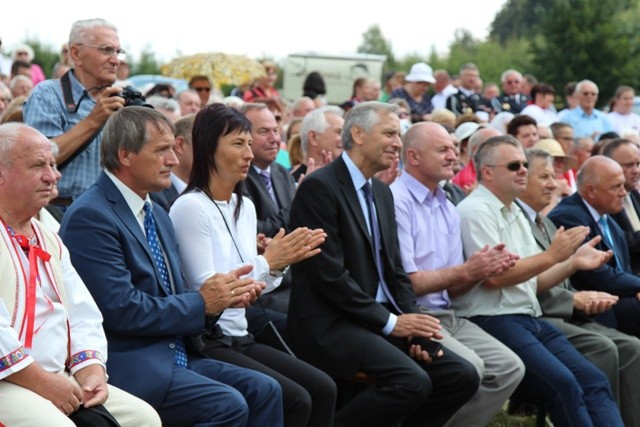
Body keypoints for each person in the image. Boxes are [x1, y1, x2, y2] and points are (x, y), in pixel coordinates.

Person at [59, 106, 284, 426]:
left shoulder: (157, 213)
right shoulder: (91, 216)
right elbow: (121, 309)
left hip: (179, 353)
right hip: (134, 364)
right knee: (228, 405)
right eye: (162, 150)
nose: (174, 160)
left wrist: (223, 299)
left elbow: (179, 294)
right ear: (125, 155)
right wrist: (203, 302)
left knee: (266, 390)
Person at [288, 101, 480, 427]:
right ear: (358, 134)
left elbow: (395, 272)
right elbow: (329, 276)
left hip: (375, 321)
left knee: (461, 375)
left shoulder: (380, 190)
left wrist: (414, 326)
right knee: (412, 382)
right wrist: (392, 324)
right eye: (390, 132)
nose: (398, 143)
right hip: (332, 324)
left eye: (400, 134)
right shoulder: (320, 187)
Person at [169, 104, 336, 427]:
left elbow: (259, 285)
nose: (248, 153)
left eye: (248, 143)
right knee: (296, 398)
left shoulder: (243, 205)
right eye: (237, 144)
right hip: (209, 339)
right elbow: (210, 291)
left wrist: (277, 265)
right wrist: (268, 261)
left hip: (241, 333)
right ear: (208, 149)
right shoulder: (189, 207)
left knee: (323, 387)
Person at [454, 134, 623, 426]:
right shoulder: (474, 211)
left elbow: (534, 280)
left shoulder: (514, 211)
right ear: (488, 172)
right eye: (514, 165)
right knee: (563, 386)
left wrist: (572, 262)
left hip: (527, 317)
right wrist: (554, 256)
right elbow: (494, 279)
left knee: (593, 380)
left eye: (523, 164)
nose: (523, 170)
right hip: (493, 319)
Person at [0, 123, 161, 426]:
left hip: (55, 374)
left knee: (144, 419)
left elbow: (81, 312)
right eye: (38, 166)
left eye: (52, 164)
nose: (53, 175)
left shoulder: (49, 236)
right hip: (7, 379)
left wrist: (90, 370)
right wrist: (44, 383)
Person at [390, 122, 525, 426]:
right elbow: (406, 285)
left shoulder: (448, 205)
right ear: (412, 156)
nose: (454, 155)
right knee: (473, 367)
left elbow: (451, 289)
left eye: (453, 147)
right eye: (444, 149)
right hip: (413, 314)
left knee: (509, 367)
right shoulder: (396, 201)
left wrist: (480, 271)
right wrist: (468, 269)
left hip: (447, 314)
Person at [516, 147, 640, 427]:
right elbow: (522, 282)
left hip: (576, 304)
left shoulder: (544, 220)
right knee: (605, 347)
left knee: (632, 348)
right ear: (591, 191)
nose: (555, 183)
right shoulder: (566, 217)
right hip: (544, 313)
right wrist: (574, 300)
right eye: (544, 177)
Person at [24, 18, 127, 206]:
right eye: (106, 50)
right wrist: (94, 120)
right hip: (59, 211)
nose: (115, 60)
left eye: (118, 51)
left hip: (109, 212)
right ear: (76, 54)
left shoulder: (121, 99)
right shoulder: (48, 94)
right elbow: (35, 159)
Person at [548, 156, 640, 338]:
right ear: (590, 191)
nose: (624, 192)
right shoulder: (569, 218)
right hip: (591, 310)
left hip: (616, 300)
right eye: (616, 187)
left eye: (623, 185)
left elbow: (624, 270)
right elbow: (601, 277)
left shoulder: (606, 216)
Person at [604, 139, 640, 274]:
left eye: (638, 164)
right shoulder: (604, 198)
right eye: (629, 165)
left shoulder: (634, 193)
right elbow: (618, 239)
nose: (636, 170)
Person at [292, 106, 344, 182]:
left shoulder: (346, 179)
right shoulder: (290, 184)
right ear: (313, 137)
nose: (346, 138)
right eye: (339, 132)